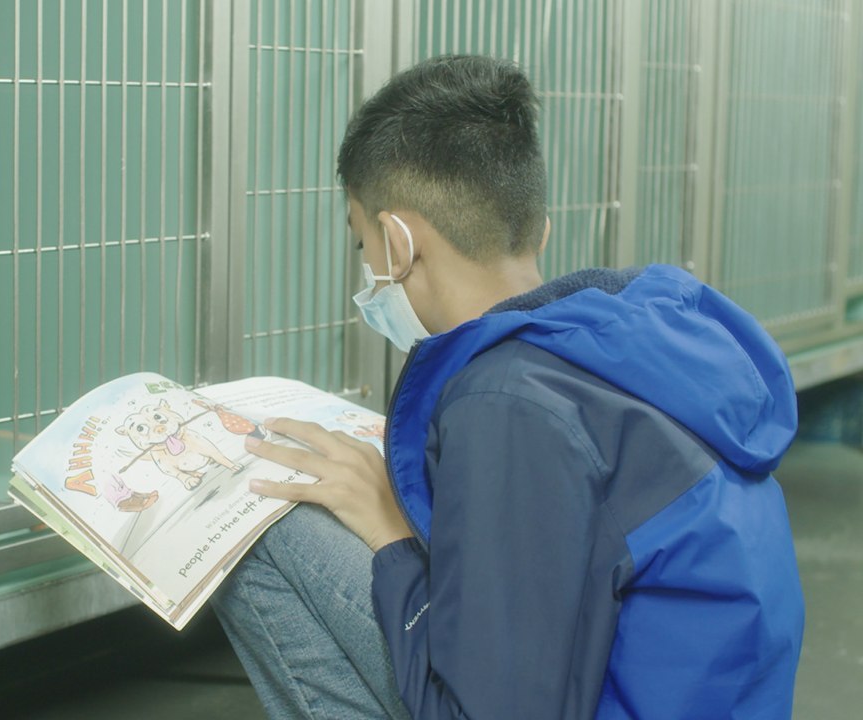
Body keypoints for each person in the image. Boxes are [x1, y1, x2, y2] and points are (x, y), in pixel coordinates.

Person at [211, 54, 804, 719]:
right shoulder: (624, 349)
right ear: (537, 228)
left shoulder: (507, 403)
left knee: (264, 526)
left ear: (398, 243)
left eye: (362, 246)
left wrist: (389, 538)